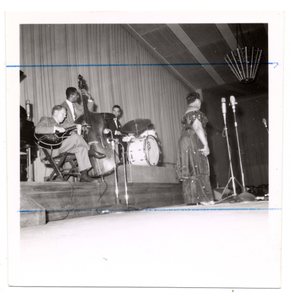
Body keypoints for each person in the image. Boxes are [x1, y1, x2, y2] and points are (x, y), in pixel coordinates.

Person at [35, 105, 101, 182]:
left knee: (81, 148)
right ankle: (90, 151)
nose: (65, 116)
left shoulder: (64, 125)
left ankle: (84, 175)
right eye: (63, 113)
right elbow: (38, 129)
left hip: (61, 148)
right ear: (55, 112)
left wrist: (79, 129)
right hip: (50, 150)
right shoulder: (46, 119)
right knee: (75, 137)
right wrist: (55, 128)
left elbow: (75, 135)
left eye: (66, 114)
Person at [176, 92, 215, 205]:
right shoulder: (195, 112)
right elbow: (197, 128)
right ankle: (204, 198)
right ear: (198, 101)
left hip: (186, 143)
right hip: (194, 142)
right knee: (199, 166)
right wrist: (206, 144)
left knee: (191, 167)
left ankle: (195, 198)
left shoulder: (186, 113)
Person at [60, 87, 105, 159]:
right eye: (77, 95)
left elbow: (88, 111)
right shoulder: (61, 107)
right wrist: (76, 126)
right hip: (69, 134)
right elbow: (62, 124)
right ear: (72, 95)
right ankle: (91, 151)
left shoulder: (76, 105)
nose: (78, 96)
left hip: (80, 131)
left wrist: (89, 97)